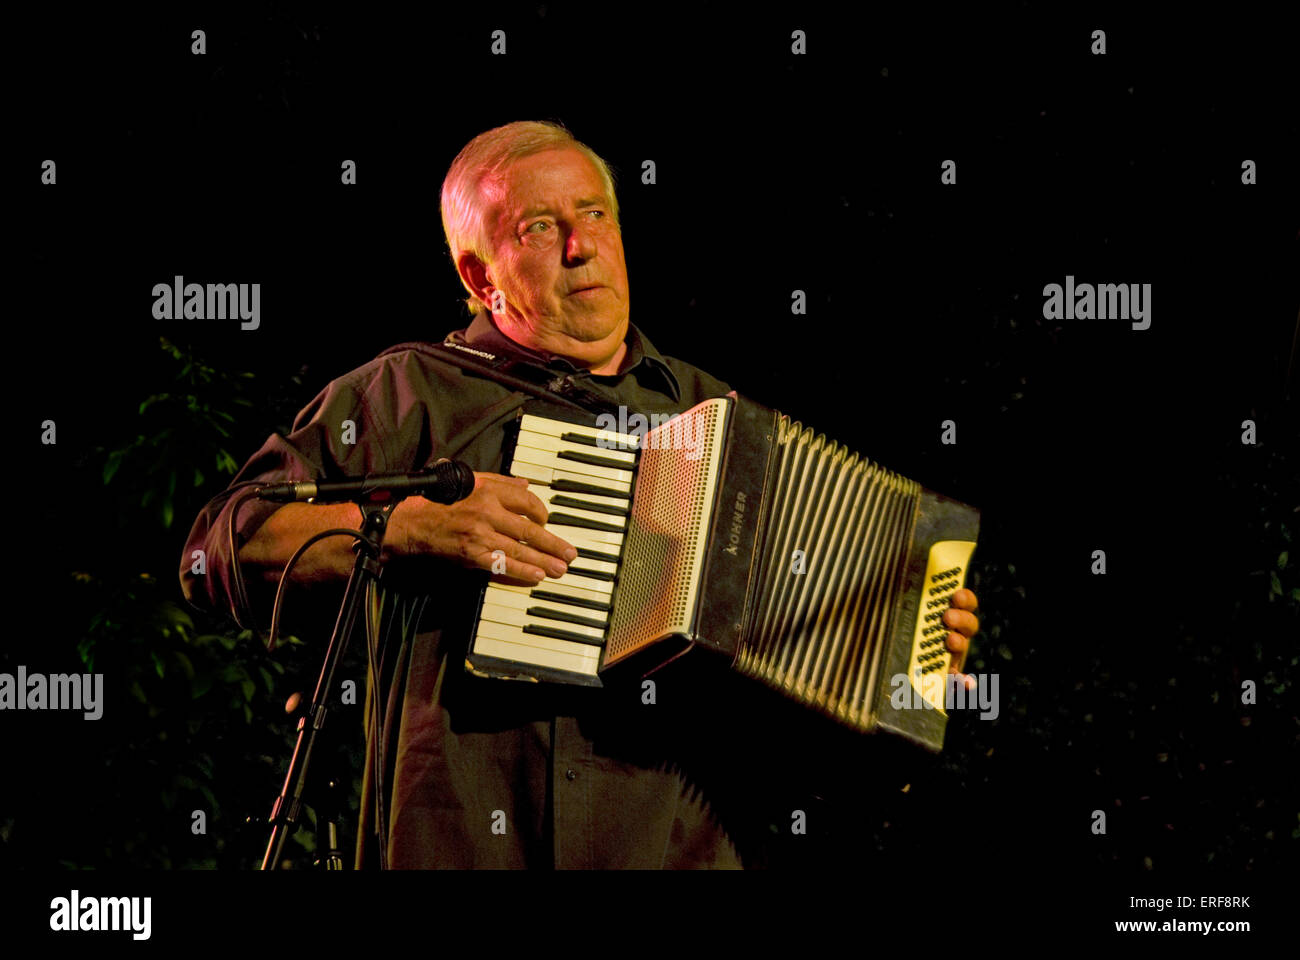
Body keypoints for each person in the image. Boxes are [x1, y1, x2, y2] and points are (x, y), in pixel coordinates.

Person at [178, 120, 981, 869]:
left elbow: (800, 729)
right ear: (478, 274)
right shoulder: (408, 394)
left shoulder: (720, 420)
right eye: (537, 228)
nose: (580, 245)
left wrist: (902, 658)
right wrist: (405, 527)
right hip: (468, 844)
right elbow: (215, 551)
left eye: (593, 214)